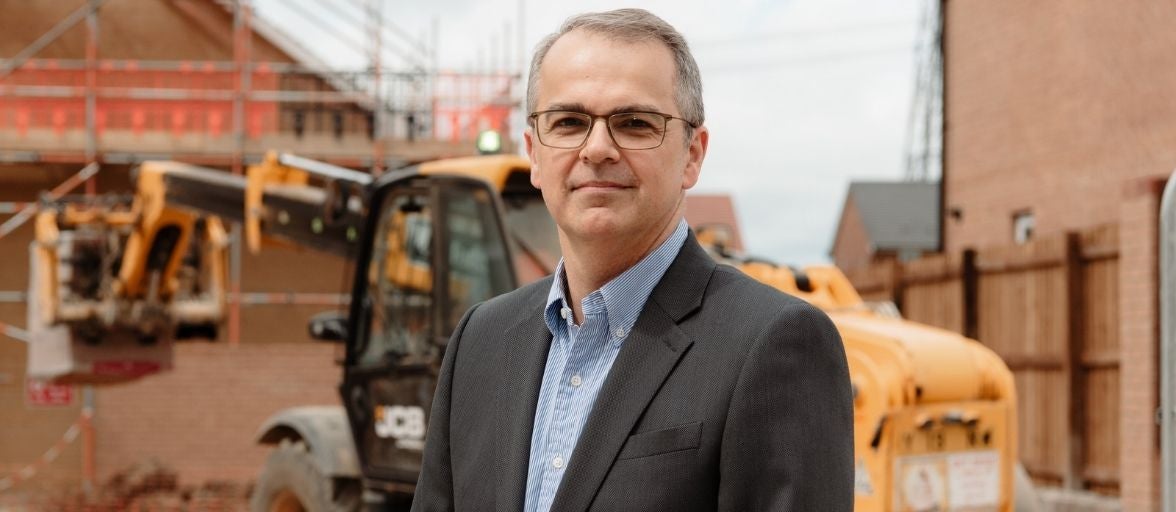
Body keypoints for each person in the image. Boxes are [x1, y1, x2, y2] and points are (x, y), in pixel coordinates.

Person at [412, 8, 853, 512]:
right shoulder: (479, 343)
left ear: (693, 154)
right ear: (534, 152)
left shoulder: (775, 343)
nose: (597, 149)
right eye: (570, 121)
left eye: (635, 123)